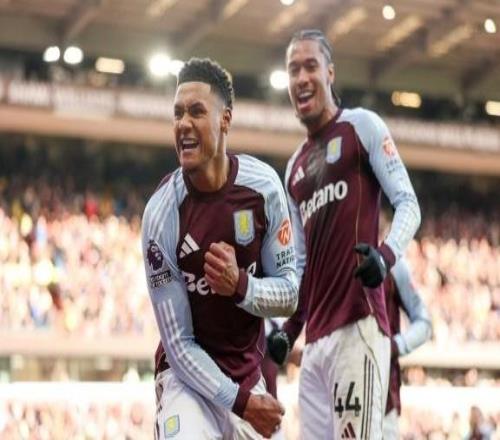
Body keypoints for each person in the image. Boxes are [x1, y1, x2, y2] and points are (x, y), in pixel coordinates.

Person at [267, 29, 421, 439]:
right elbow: (302, 264)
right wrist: (289, 330)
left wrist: (385, 256)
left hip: (358, 327)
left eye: (310, 66)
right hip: (314, 346)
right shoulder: (293, 169)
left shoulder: (361, 126)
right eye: (293, 70)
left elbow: (409, 203)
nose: (301, 78)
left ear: (330, 73)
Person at [141, 58, 299, 439]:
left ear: (225, 119)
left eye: (196, 111)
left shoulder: (263, 188)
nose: (183, 123)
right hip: (186, 382)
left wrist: (241, 285)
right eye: (177, 113)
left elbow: (289, 294)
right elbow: (179, 345)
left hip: (246, 377)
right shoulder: (161, 214)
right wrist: (241, 402)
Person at [382, 257, 432, 439]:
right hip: (337, 391)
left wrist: (394, 346)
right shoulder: (332, 254)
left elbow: (424, 323)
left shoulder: (394, 263)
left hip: (384, 401)